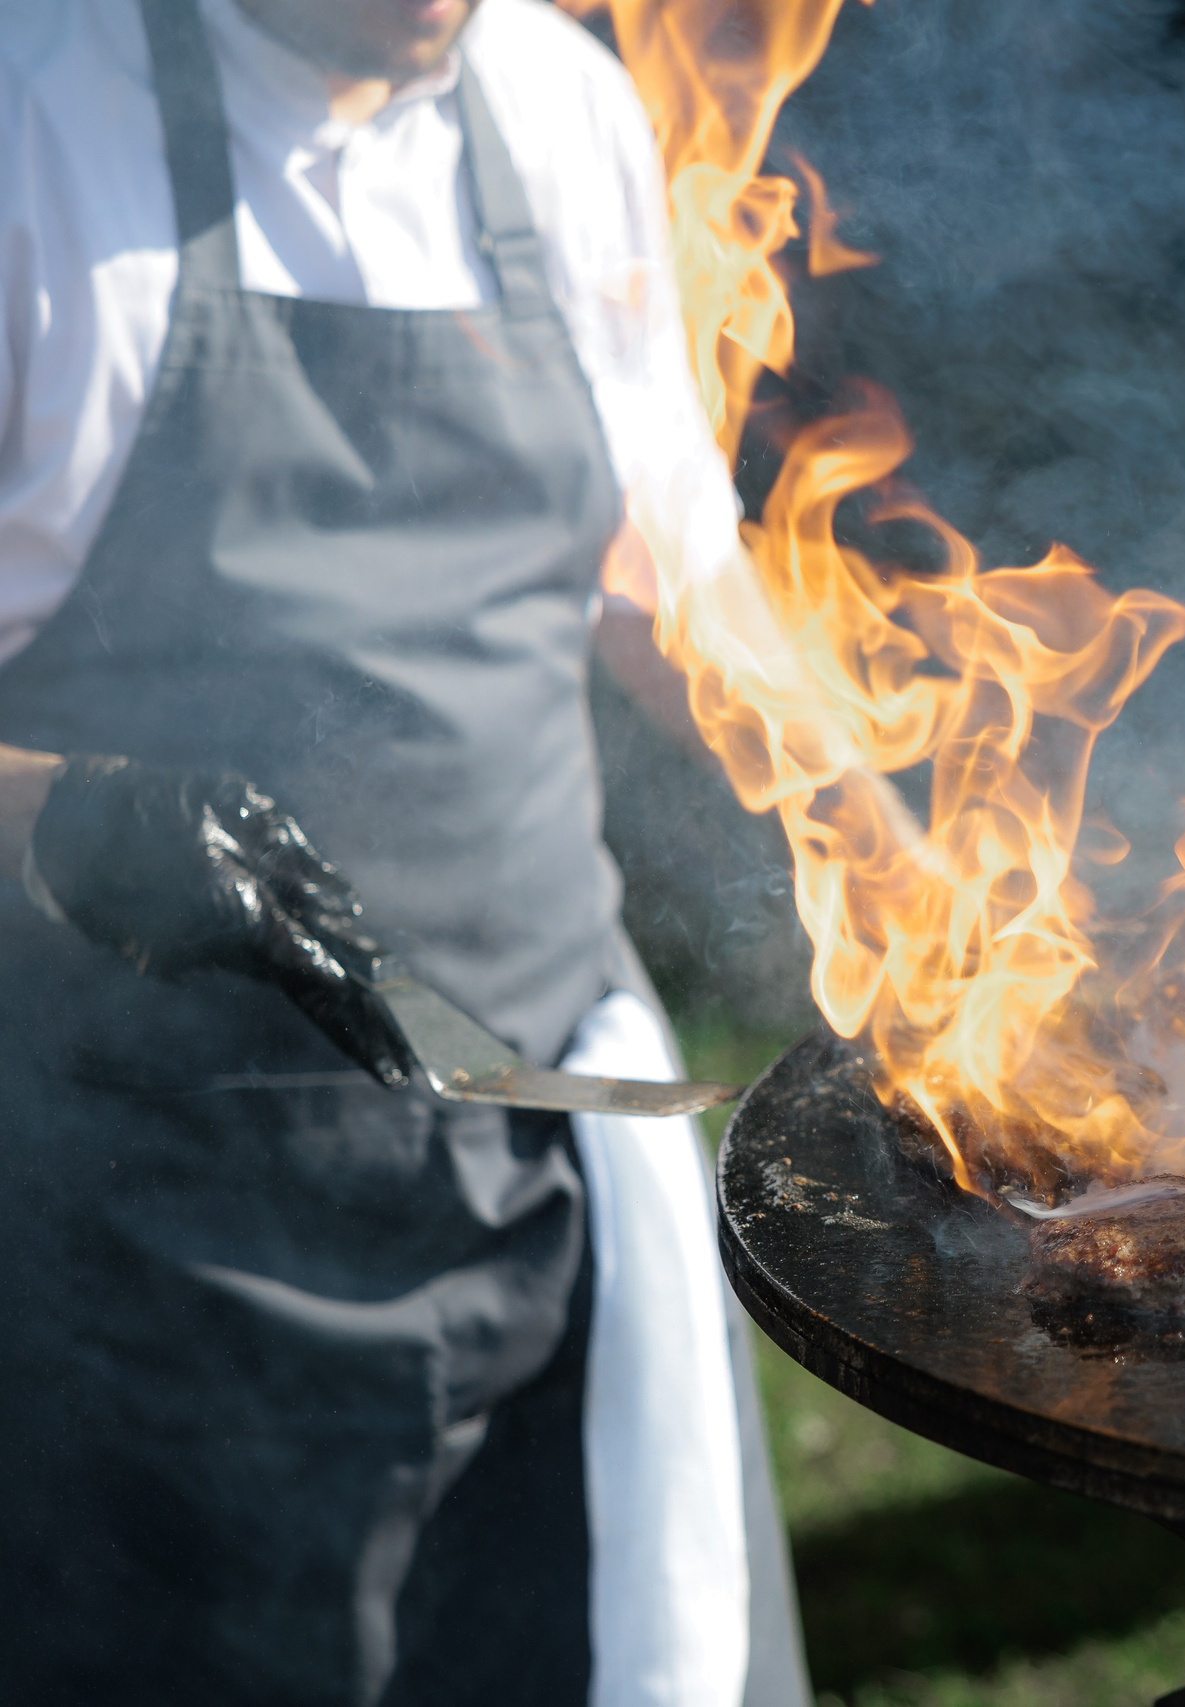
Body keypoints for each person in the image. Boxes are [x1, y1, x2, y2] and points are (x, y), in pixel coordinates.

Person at [0, 0, 806, 1699]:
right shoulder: (36, 116)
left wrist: (913, 867)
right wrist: (79, 812)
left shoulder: (560, 99)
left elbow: (666, 580)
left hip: (550, 1151)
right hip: (131, 1231)